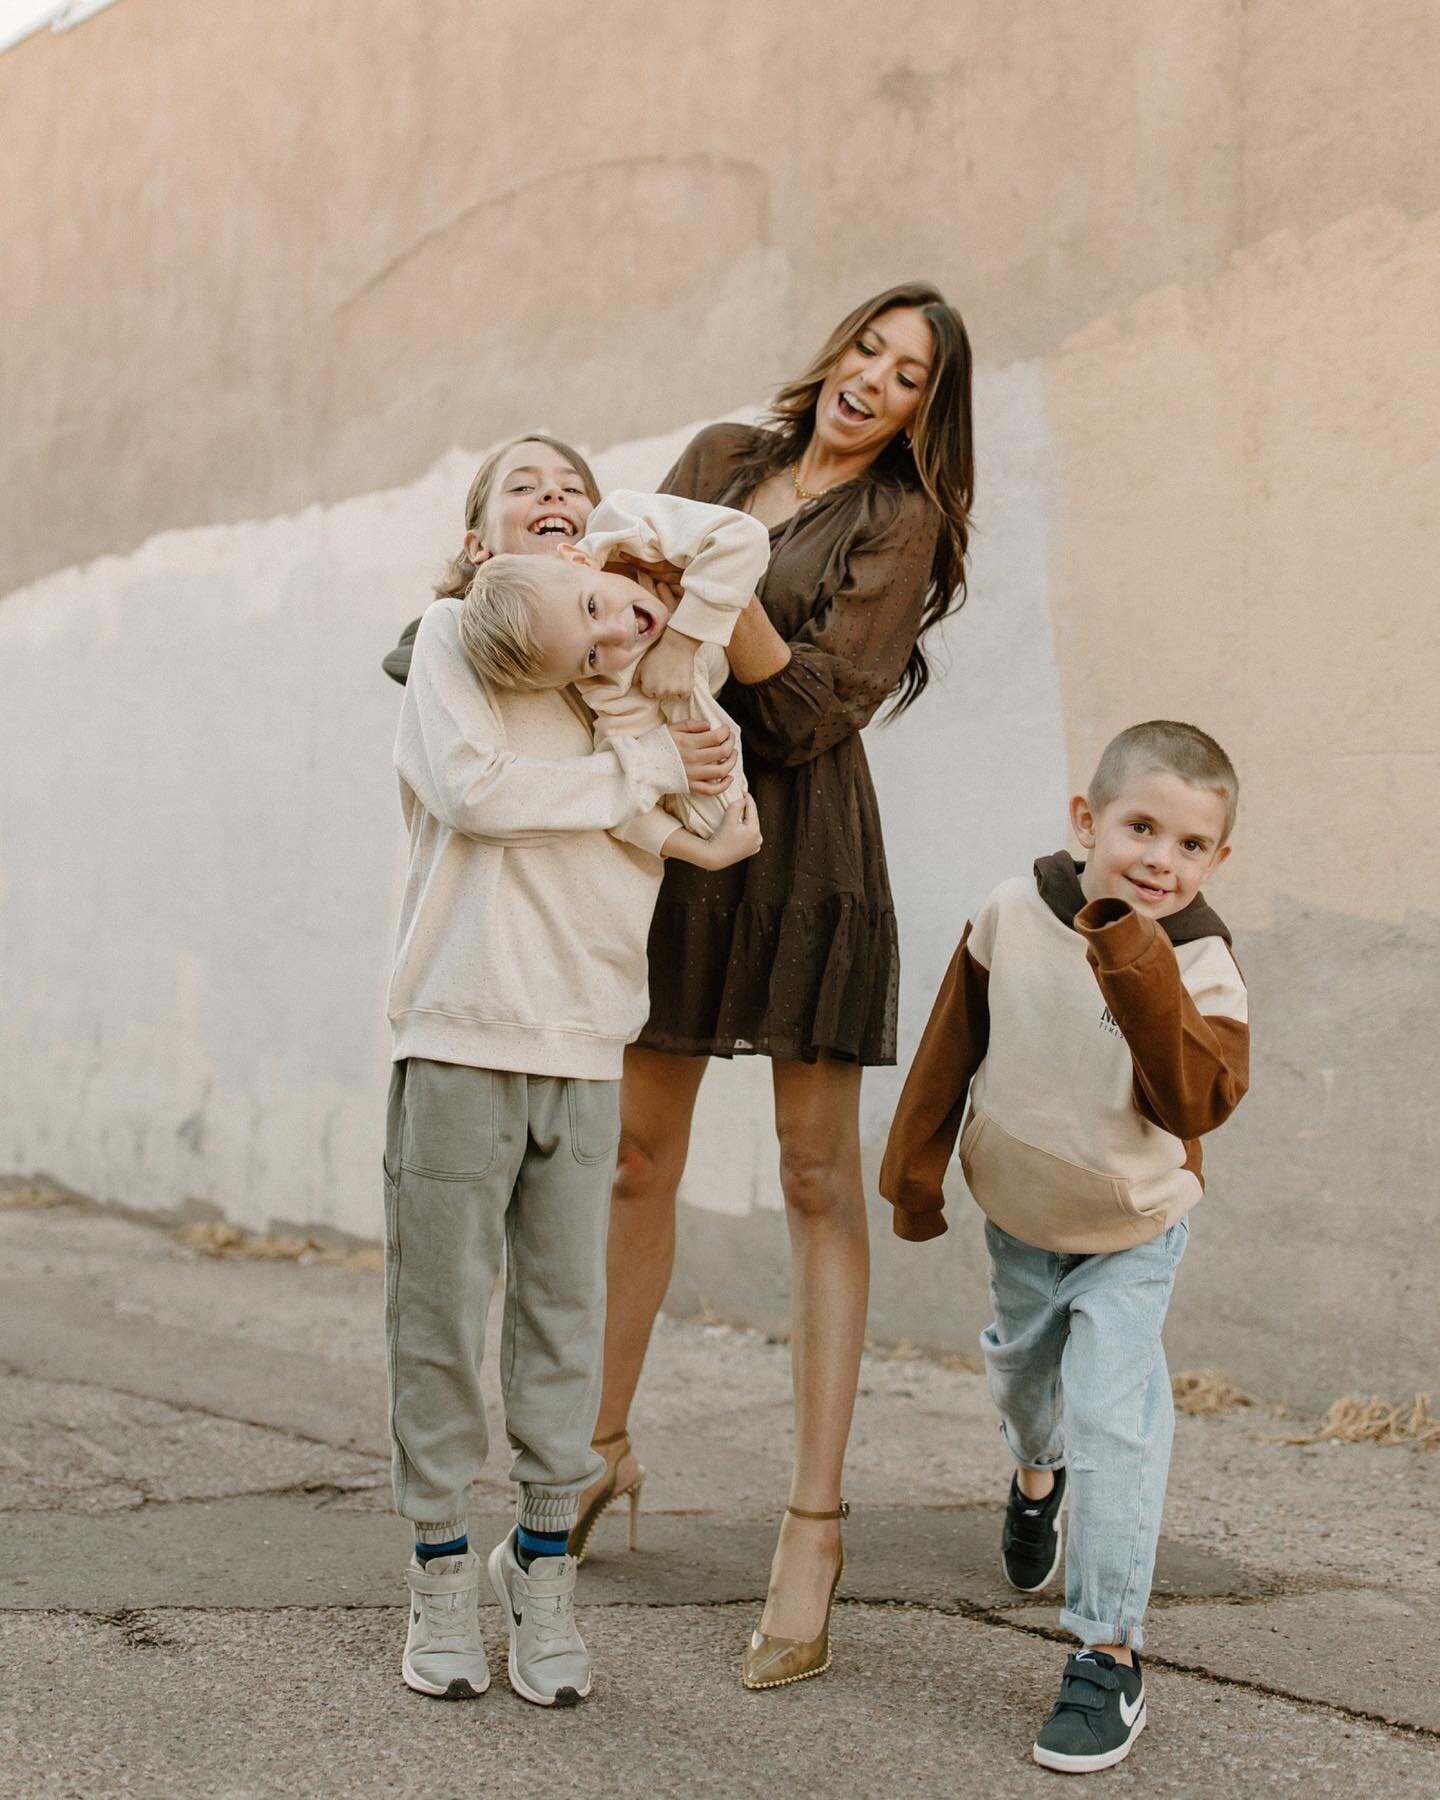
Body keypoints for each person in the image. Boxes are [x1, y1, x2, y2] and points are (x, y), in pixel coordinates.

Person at [576, 281, 976, 1693]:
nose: (876, 379)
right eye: (870, 347)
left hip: (805, 849)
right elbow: (615, 602)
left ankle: (814, 1527)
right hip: (682, 828)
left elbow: (808, 714)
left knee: (818, 1178)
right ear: (836, 350)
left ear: (931, 408)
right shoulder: (722, 461)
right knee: (635, 1154)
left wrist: (722, 585)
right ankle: (599, 1445)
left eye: (911, 374)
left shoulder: (901, 524)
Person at [383, 433, 747, 1709]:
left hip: (588, 1040)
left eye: (573, 487)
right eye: (522, 484)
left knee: (561, 1329)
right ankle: (436, 1573)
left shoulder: (644, 673)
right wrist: (634, 776)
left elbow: (725, 828)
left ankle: (539, 1575)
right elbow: (476, 790)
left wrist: (665, 708)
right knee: (436, 1327)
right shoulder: (446, 641)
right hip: (460, 1030)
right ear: (481, 541)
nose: (555, 497)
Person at [880, 720, 1250, 1772]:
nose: (1159, 861)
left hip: (1136, 1225)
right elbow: (953, 1042)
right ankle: (1035, 1477)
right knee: (1023, 1383)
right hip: (1022, 1216)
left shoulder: (1203, 962)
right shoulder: (1009, 911)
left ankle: (1107, 1653)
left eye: (1189, 846)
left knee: (1114, 1420)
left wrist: (1137, 961)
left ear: (1216, 862)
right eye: (1140, 827)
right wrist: (914, 1173)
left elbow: (1194, 1100)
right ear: (1086, 820)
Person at [457, 486, 772, 861]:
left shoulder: (622, 523)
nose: (620, 633)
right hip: (727, 704)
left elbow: (744, 536)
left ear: (577, 559)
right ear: (580, 678)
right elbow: (627, 811)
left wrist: (680, 643)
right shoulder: (613, 688)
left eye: (592, 606)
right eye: (591, 655)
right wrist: (706, 853)